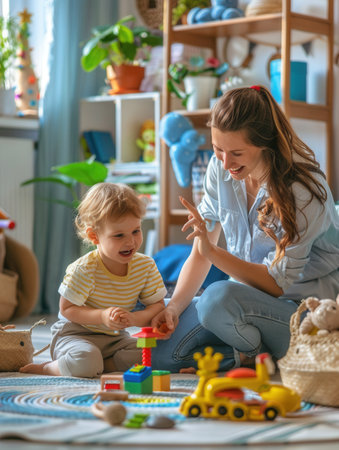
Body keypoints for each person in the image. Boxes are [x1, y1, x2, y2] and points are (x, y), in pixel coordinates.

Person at [151, 85, 339, 373]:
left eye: (236, 152)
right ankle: (248, 355)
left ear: (266, 143)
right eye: (218, 149)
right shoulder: (220, 168)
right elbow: (200, 254)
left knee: (215, 298)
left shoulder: (302, 190)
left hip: (302, 309)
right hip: (242, 303)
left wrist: (211, 251)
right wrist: (174, 308)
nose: (225, 163)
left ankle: (261, 354)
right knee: (161, 354)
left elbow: (275, 284)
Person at [20, 183, 166, 377]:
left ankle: (99, 365)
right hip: (75, 334)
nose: (130, 241)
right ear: (94, 236)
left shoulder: (145, 266)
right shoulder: (85, 269)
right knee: (86, 359)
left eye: (136, 231)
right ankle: (48, 367)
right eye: (119, 235)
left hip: (115, 338)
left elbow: (157, 306)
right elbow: (67, 309)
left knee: (155, 354)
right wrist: (102, 316)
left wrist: (134, 318)